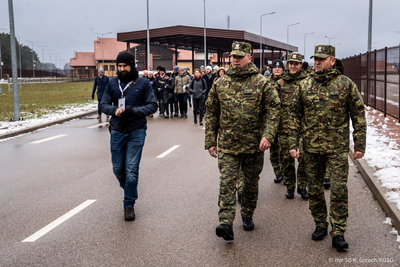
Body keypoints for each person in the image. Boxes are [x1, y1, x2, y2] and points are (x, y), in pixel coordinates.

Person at [288, 45, 366, 251]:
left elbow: (358, 115)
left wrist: (359, 144)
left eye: (321, 59)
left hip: (337, 148)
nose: (317, 62)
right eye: (315, 59)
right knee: (314, 189)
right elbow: (294, 115)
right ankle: (320, 224)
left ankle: (338, 231)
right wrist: (293, 143)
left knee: (339, 190)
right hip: (311, 148)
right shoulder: (304, 85)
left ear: (332, 60)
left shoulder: (345, 85)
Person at [206, 41, 281, 241]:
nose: (236, 60)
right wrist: (211, 141)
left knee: (249, 183)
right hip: (228, 145)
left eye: (240, 56)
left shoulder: (261, 82)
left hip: (254, 145)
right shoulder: (220, 83)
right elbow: (212, 112)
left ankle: (247, 213)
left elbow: (274, 109)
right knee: (227, 182)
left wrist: (268, 135)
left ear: (250, 57)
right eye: (233, 57)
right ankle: (226, 222)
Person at [100, 51, 157, 221]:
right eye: (119, 66)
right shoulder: (112, 83)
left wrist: (133, 111)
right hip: (117, 130)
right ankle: (129, 189)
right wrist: (113, 110)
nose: (122, 69)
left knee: (131, 169)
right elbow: (103, 104)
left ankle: (129, 205)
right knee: (118, 169)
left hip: (136, 130)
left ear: (132, 65)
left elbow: (153, 106)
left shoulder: (144, 83)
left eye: (125, 66)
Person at [273, 53, 309, 200]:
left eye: (296, 64)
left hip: (303, 128)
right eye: (291, 63)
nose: (293, 66)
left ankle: (302, 186)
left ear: (300, 65)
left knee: (303, 159)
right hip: (284, 128)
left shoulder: (307, 82)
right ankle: (290, 187)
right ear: (287, 65)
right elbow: (273, 104)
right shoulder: (281, 83)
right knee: (286, 160)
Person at [267, 59, 285, 184]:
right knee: (273, 148)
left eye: (279, 67)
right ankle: (277, 172)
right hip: (271, 120)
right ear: (271, 69)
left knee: (284, 148)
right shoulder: (266, 83)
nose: (277, 69)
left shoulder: (287, 81)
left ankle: (285, 173)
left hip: (284, 119)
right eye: (275, 67)